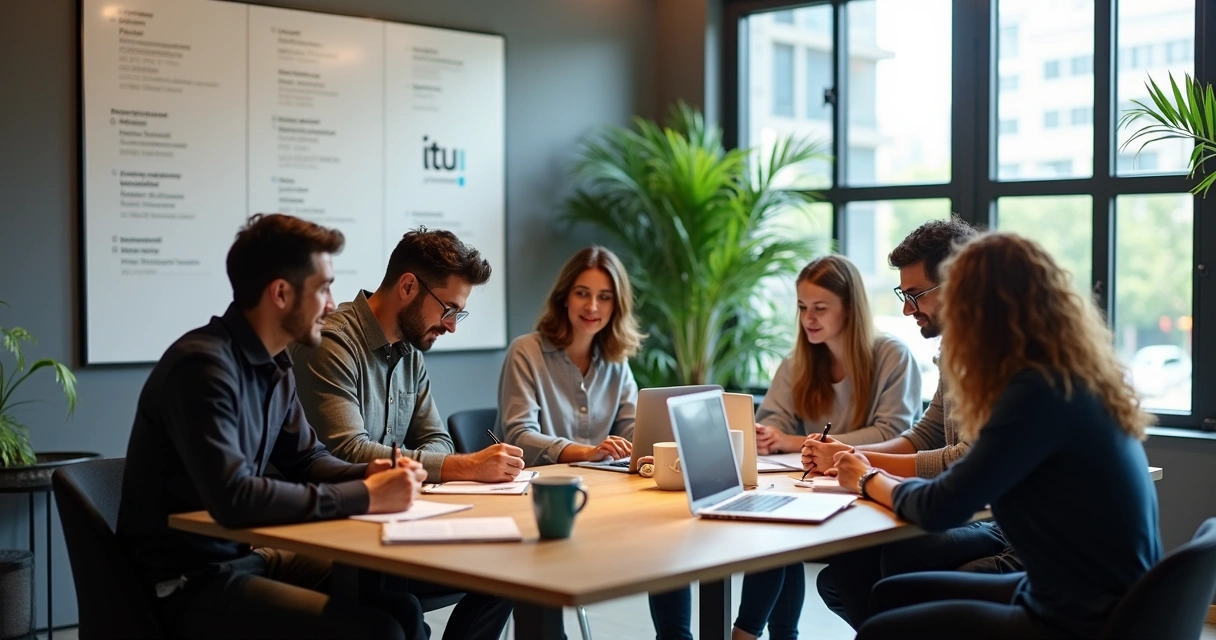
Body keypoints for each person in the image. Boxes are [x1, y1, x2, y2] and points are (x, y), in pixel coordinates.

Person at [835, 232, 1161, 639]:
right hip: (1093, 594)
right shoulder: (1066, 376)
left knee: (883, 626)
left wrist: (867, 479)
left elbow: (941, 507)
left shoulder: (1036, 391)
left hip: (1074, 615)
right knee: (890, 593)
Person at [117, 213, 428, 639]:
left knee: (400, 608)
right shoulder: (204, 368)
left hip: (244, 558)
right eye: (323, 288)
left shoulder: (275, 366)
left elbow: (308, 459)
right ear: (281, 293)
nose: (333, 304)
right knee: (378, 630)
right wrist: (364, 496)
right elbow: (236, 498)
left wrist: (369, 473)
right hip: (185, 581)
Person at [649, 254, 923, 640]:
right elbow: (774, 418)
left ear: (850, 308)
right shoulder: (798, 362)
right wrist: (767, 434)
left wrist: (794, 442)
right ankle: (760, 634)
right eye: (802, 308)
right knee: (778, 532)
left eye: (820, 308)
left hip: (870, 490)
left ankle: (745, 632)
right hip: (812, 487)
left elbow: (891, 432)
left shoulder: (892, 355)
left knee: (783, 536)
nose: (808, 318)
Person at [292, 226, 516, 639]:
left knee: (512, 570)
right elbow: (347, 452)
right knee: (399, 606)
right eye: (449, 309)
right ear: (409, 286)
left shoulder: (410, 352)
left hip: (391, 525)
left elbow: (438, 439)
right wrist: (465, 467)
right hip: (331, 536)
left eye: (458, 313)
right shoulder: (330, 342)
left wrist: (434, 465)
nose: (451, 326)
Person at [803, 217, 1021, 628]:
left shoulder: (1000, 356)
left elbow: (966, 459)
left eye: (916, 294)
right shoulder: (954, 348)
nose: (906, 308)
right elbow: (927, 435)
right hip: (994, 513)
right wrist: (851, 456)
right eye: (904, 294)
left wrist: (866, 470)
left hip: (1009, 525)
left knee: (896, 557)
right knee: (845, 569)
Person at [498, 246, 641, 465]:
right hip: (539, 488)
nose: (592, 307)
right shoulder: (526, 352)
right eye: (582, 293)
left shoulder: (617, 362)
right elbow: (520, 438)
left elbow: (632, 429)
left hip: (602, 485)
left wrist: (661, 442)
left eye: (604, 297)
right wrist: (588, 452)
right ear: (564, 297)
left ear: (616, 306)